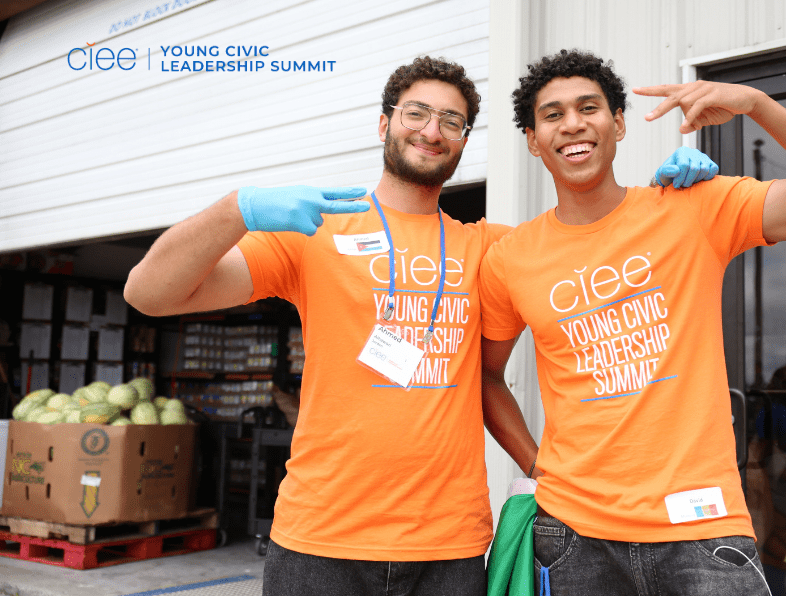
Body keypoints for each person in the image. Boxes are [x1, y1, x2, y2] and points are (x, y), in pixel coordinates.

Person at [124, 54, 714, 596]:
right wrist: (236, 209)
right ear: (385, 124)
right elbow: (149, 294)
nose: (432, 131)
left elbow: (600, 252)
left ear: (463, 142)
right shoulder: (316, 234)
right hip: (320, 537)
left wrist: (669, 199)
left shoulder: (492, 249)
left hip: (449, 548)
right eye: (417, 113)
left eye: (452, 122)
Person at [479, 48, 786, 595]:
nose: (572, 123)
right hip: (573, 535)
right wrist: (537, 464)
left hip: (702, 531)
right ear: (533, 140)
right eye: (552, 114)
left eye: (589, 107)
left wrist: (757, 104)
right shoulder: (510, 258)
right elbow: (486, 376)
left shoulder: (693, 209)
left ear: (617, 123)